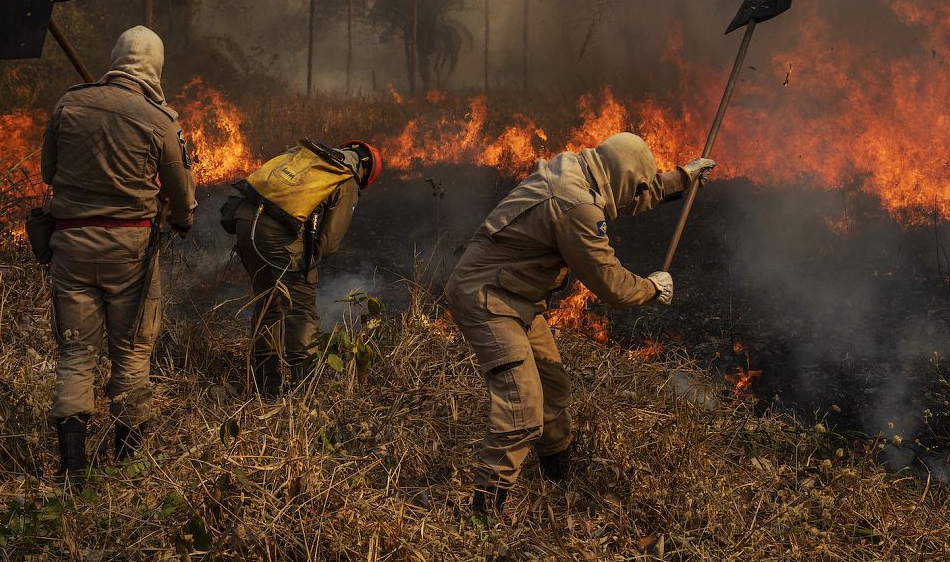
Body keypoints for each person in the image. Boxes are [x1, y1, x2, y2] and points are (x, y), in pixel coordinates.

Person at [444, 132, 714, 520]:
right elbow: (612, 285)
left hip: (517, 296)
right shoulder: (576, 206)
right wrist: (652, 289)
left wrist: (683, 178)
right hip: (488, 300)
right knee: (522, 408)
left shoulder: (580, 167)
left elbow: (632, 189)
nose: (633, 196)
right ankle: (484, 510)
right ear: (621, 175)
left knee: (553, 386)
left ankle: (557, 476)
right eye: (635, 186)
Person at [39, 25, 194, 486]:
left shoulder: (69, 102)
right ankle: (125, 466)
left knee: (76, 353)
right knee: (130, 351)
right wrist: (180, 219)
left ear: (114, 56)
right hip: (131, 254)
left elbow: (49, 170)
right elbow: (181, 197)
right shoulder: (161, 119)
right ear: (156, 67)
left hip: (70, 246)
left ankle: (73, 471)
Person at [221, 138, 383, 397]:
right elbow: (329, 243)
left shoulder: (306, 155)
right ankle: (304, 393)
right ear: (366, 173)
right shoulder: (346, 179)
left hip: (244, 221)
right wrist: (305, 267)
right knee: (300, 310)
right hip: (277, 235)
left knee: (267, 303)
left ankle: (266, 386)